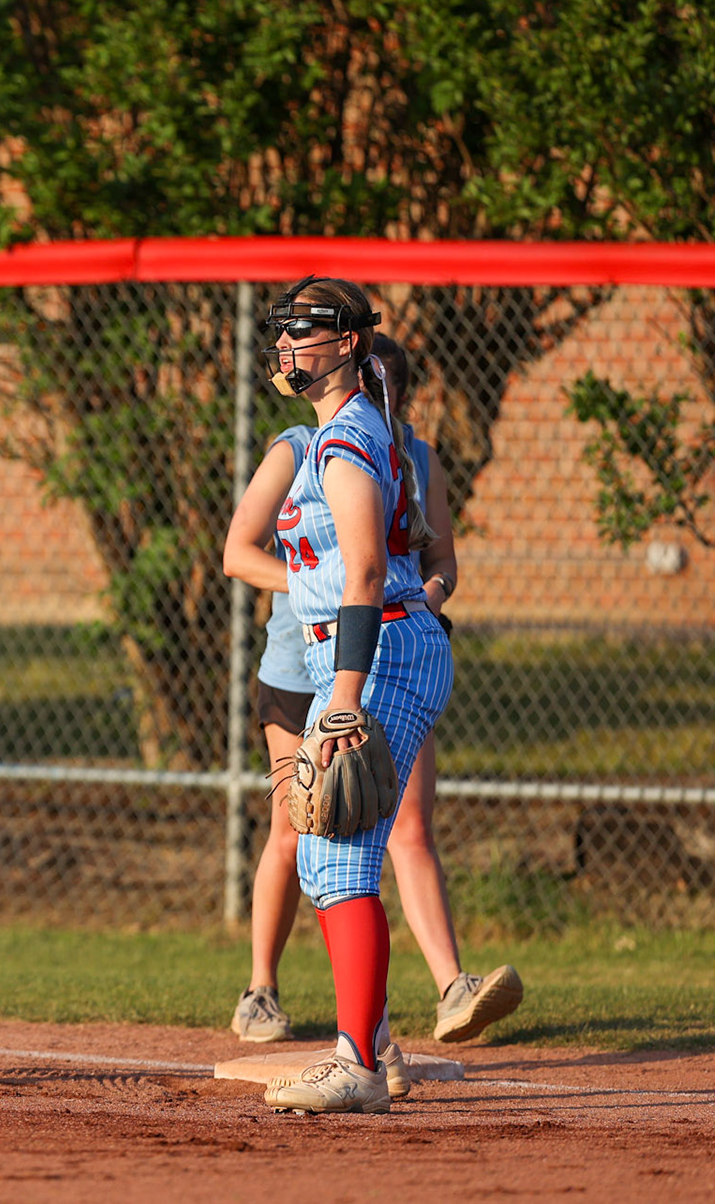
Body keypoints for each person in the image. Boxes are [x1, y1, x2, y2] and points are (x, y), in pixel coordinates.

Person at [225, 335, 523, 1051]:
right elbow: (241, 554)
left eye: (393, 381)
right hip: (302, 664)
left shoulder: (411, 456)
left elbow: (438, 558)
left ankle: (439, 994)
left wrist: (425, 593)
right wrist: (321, 588)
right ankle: (262, 989)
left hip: (376, 656)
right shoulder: (304, 447)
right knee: (302, 827)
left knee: (399, 824)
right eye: (374, 376)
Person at [238, 277, 453, 1114]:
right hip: (378, 647)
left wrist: (344, 696)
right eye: (285, 333)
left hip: (379, 652)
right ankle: (367, 1050)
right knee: (334, 853)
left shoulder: (346, 436)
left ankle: (359, 1060)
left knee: (336, 852)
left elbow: (365, 569)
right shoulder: (348, 429)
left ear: (349, 346)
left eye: (304, 333)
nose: (287, 346)